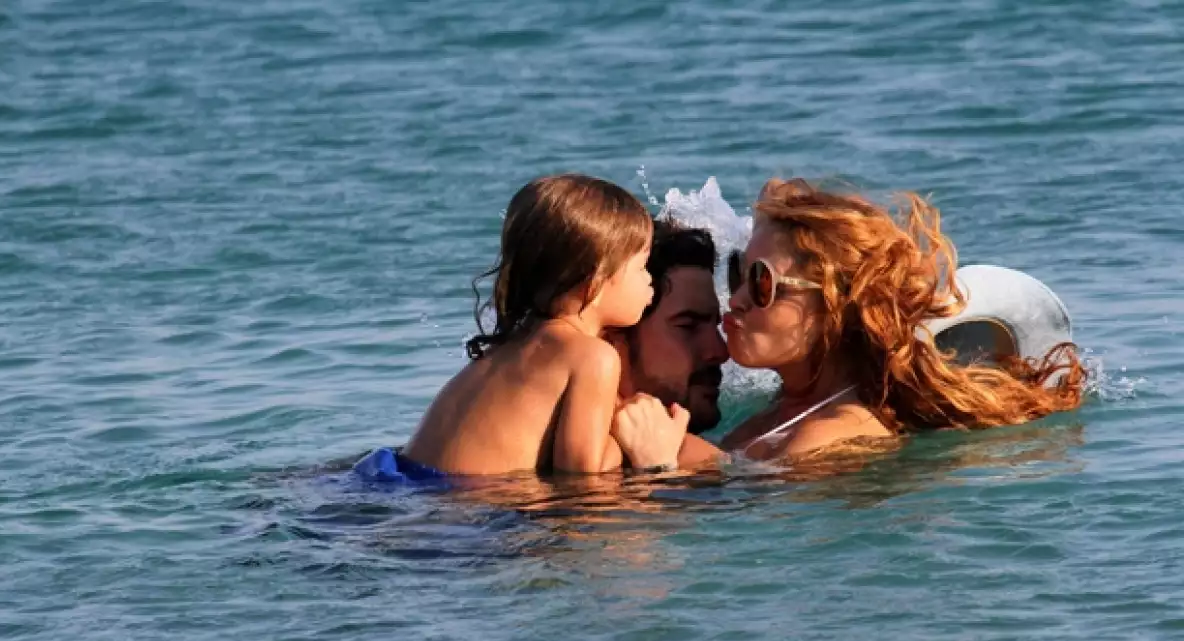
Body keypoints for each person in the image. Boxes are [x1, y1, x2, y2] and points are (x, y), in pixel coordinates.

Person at [615, 177, 1086, 468]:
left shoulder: (832, 436)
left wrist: (657, 471)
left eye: (760, 283)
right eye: (738, 272)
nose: (734, 300)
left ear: (833, 308)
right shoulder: (779, 414)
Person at [379, 173, 689, 478]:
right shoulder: (592, 357)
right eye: (641, 267)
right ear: (593, 283)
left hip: (398, 481)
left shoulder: (510, 345)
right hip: (465, 513)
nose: (650, 279)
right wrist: (648, 444)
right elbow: (583, 476)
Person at [607, 219, 729, 434]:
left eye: (716, 325)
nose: (720, 352)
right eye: (688, 326)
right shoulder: (701, 461)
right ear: (615, 339)